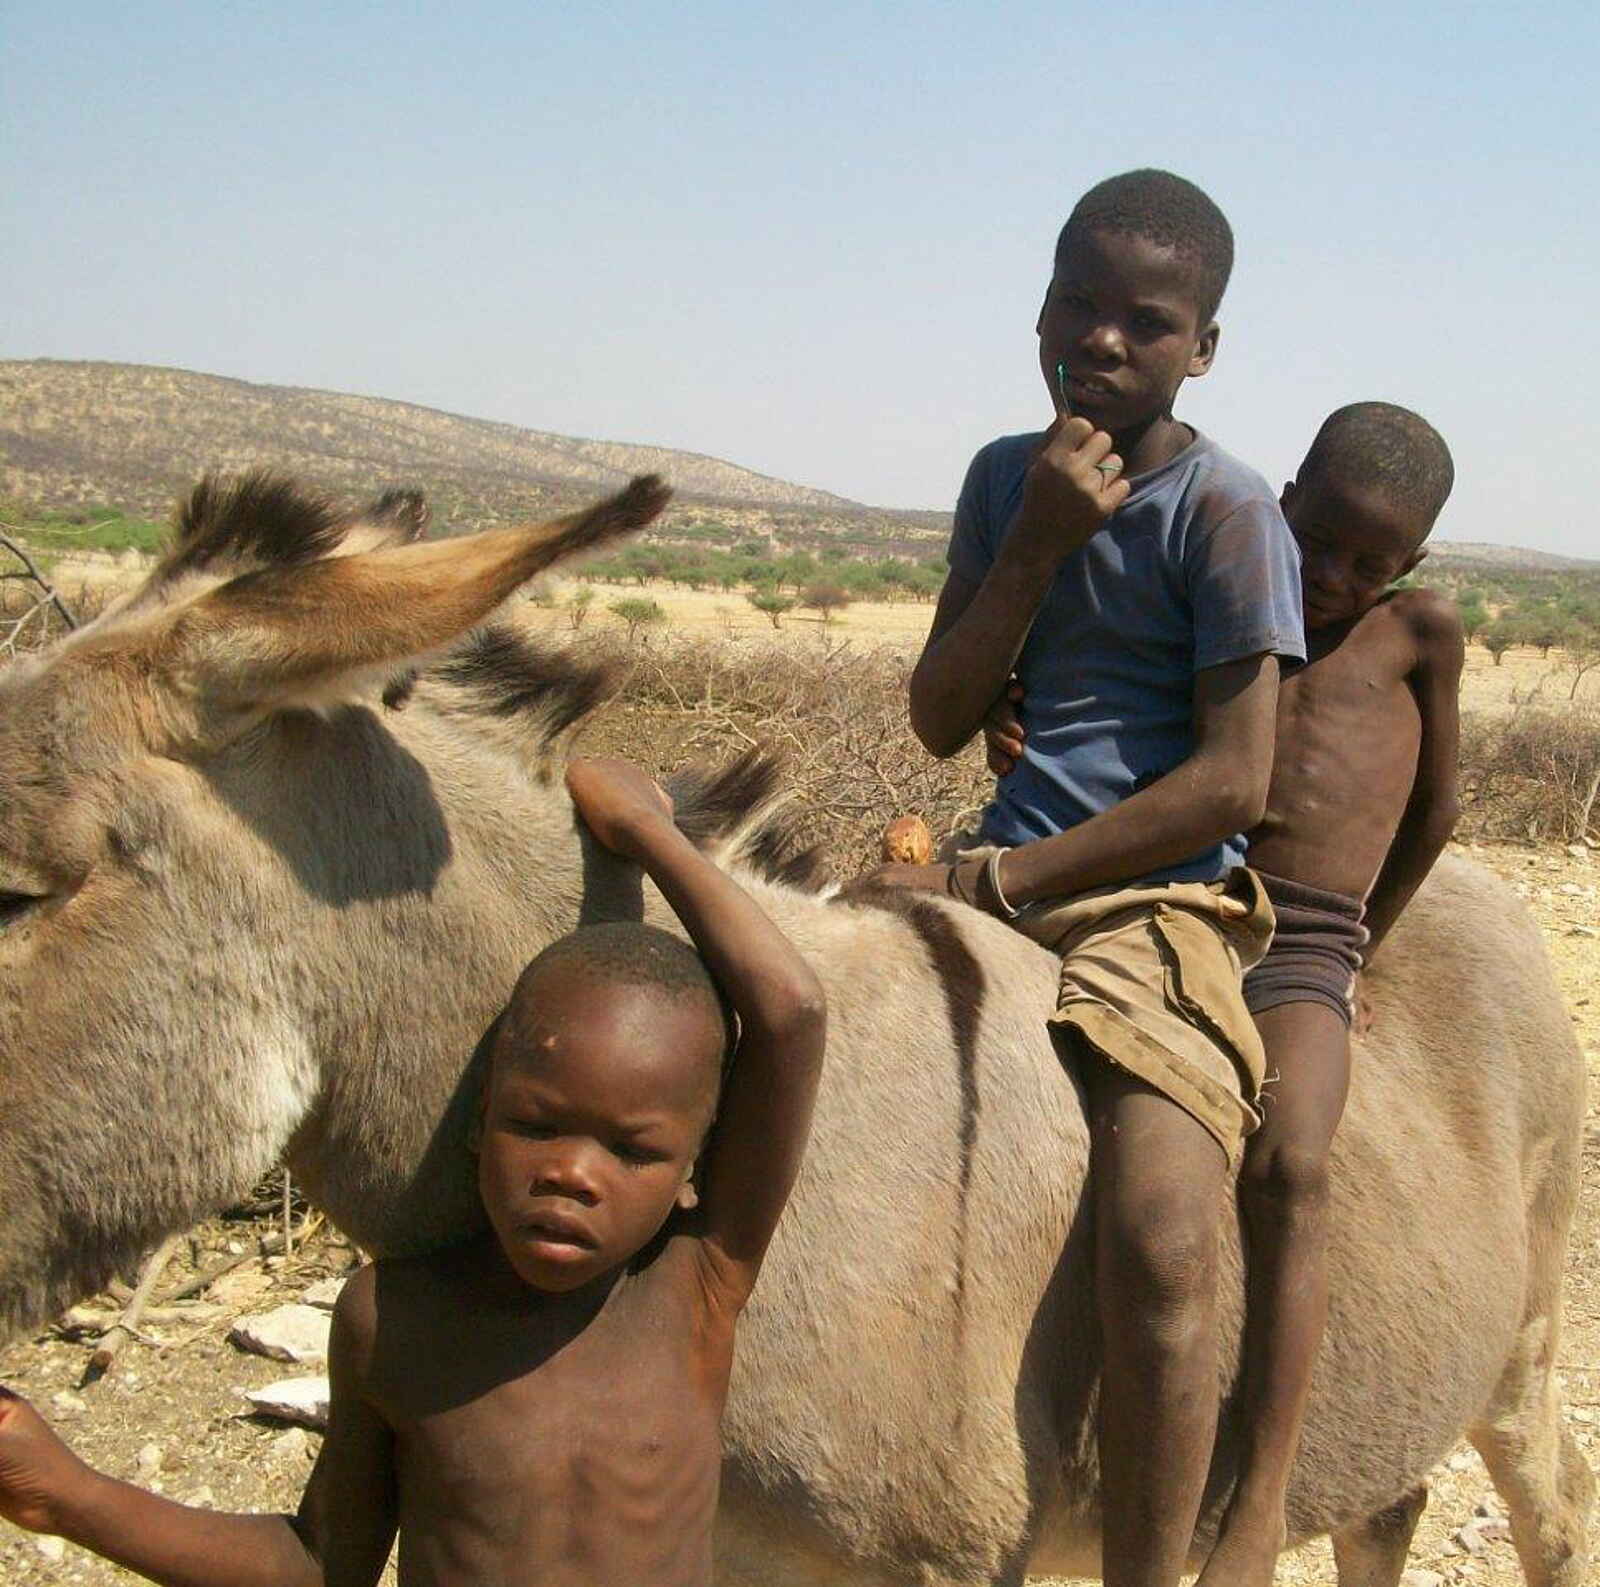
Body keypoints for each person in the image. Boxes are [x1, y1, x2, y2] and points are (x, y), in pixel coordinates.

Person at [0, 755, 826, 1587]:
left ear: (693, 1165)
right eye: (536, 1125)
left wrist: (647, 830)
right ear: (479, 1119)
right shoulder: (391, 1320)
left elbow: (790, 1011)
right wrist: (67, 1494)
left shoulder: (695, 1285)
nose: (572, 1172)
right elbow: (323, 1562)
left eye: (632, 1150)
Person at [875, 169, 1305, 1587]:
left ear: (1204, 348)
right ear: (1041, 311)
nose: (1104, 340)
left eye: (1149, 321)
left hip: (1152, 902)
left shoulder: (1226, 512)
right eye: (1079, 304)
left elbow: (1234, 781)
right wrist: (1037, 542)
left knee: (1164, 1236)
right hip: (999, 859)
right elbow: (940, 713)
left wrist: (1006, 882)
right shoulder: (1006, 480)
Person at [984, 402, 1463, 1586]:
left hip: (1302, 939)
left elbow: (1435, 811)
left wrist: (1363, 946)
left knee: (1289, 1166)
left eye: (1369, 562)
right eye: (1320, 540)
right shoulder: (1233, 590)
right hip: (1183, 899)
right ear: (1283, 498)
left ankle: (1261, 1496)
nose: (1334, 576)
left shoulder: (1415, 633)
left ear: (1410, 563)